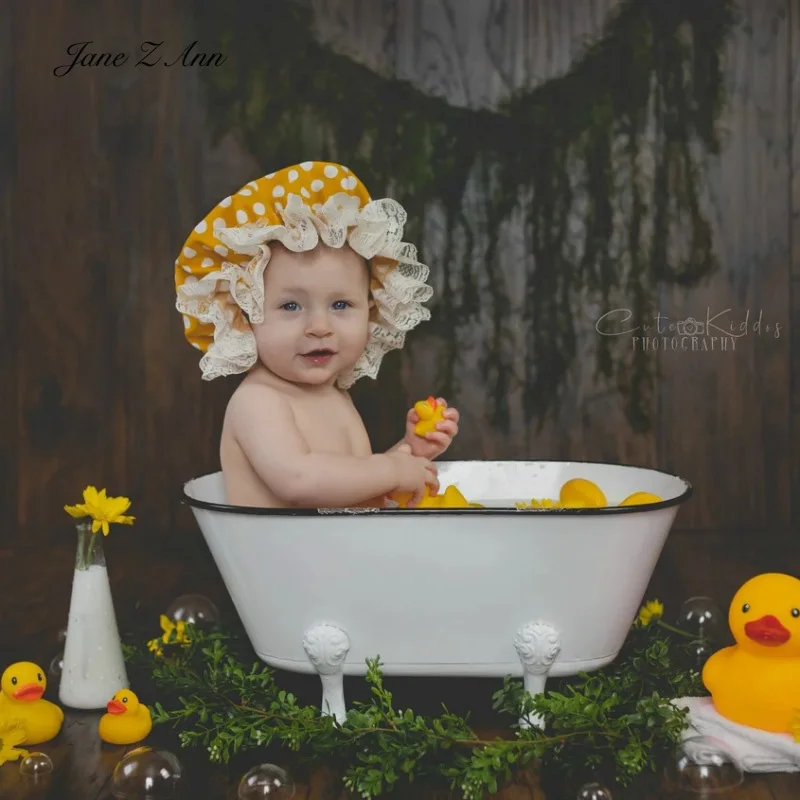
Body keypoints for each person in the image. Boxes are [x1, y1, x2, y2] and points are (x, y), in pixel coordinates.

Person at [175, 161, 460, 508]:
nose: (320, 327)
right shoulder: (259, 402)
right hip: (277, 562)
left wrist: (409, 452)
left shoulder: (334, 396)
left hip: (331, 559)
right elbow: (301, 480)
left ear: (371, 310)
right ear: (244, 315)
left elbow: (350, 491)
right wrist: (392, 469)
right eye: (291, 307)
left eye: (341, 304)